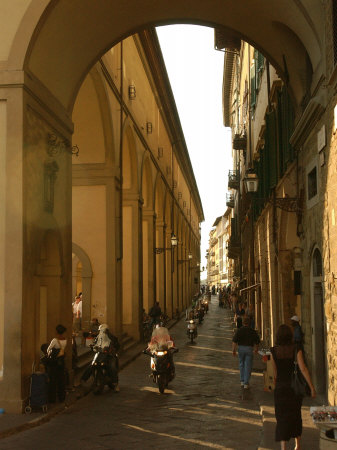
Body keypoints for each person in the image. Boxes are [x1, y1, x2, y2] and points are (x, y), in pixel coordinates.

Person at [270, 324, 316, 450]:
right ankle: (297, 444)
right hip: (294, 389)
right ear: (290, 335)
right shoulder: (296, 349)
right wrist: (311, 387)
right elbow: (303, 369)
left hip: (280, 387)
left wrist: (275, 385)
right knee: (296, 415)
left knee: (281, 417)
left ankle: (283, 447)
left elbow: (275, 372)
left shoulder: (273, 351)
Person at [232, 316, 260, 389]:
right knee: (248, 366)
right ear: (249, 323)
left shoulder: (239, 330)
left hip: (241, 348)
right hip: (249, 349)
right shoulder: (252, 331)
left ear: (243, 322)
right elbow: (257, 341)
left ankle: (242, 380)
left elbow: (234, 341)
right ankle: (246, 383)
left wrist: (234, 350)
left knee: (241, 364)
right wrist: (256, 349)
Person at [47, 324, 67, 403]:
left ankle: (52, 399)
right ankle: (61, 397)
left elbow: (48, 349)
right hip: (61, 362)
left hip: (54, 363)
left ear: (56, 331)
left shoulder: (55, 340)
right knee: (61, 380)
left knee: (53, 380)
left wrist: (49, 355)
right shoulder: (65, 340)